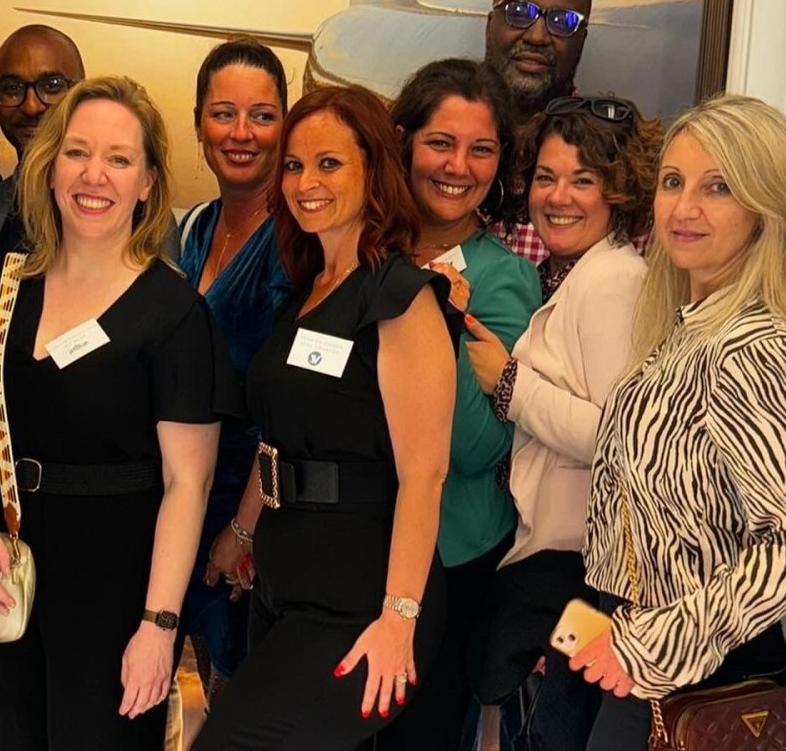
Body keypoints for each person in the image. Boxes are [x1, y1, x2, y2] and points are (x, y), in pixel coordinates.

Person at [0, 75, 229, 750]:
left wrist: (160, 626)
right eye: (76, 152)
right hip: (13, 571)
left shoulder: (174, 313)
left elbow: (188, 484)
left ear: (149, 181)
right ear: (49, 168)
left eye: (119, 158)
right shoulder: (7, 287)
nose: (93, 175)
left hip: (119, 585)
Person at [192, 84, 457, 750]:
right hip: (282, 585)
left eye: (329, 163)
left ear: (373, 170)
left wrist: (399, 616)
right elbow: (280, 438)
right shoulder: (307, 287)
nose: (305, 182)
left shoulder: (399, 297)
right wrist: (243, 532)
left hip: (363, 599)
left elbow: (425, 474)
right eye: (294, 165)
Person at [578, 95, 786, 750]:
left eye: (718, 187)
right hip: (642, 648)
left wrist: (650, 646)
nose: (683, 208)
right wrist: (597, 626)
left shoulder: (750, 350)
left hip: (703, 672)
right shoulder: (687, 333)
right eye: (673, 182)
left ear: (766, 208)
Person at [466, 95, 660, 749]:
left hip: (574, 570)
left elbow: (617, 438)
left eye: (583, 179)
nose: (560, 196)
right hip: (564, 572)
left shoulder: (613, 279)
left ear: (617, 189)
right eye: (547, 177)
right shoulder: (569, 276)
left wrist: (508, 384)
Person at [375, 58, 540, 751]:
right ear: (404, 142)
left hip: (450, 561)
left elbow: (476, 450)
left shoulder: (505, 278)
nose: (460, 166)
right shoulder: (366, 254)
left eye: (483, 148)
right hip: (353, 548)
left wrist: (445, 327)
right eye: (442, 142)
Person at [177, 38, 292, 717]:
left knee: (239, 698)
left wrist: (244, 527)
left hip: (253, 505)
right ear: (198, 124)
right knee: (206, 679)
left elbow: (289, 406)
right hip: (191, 495)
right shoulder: (197, 227)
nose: (242, 133)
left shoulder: (290, 241)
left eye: (263, 115)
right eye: (224, 113)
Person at [483, 0, 592, 265]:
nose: (537, 36)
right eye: (519, 13)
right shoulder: (435, 137)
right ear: (490, 24)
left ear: (582, 40)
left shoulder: (607, 156)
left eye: (563, 21)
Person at [0, 24, 86, 262]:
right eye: (12, 88)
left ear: (83, 92)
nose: (31, 106)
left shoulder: (127, 211)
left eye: (51, 86)